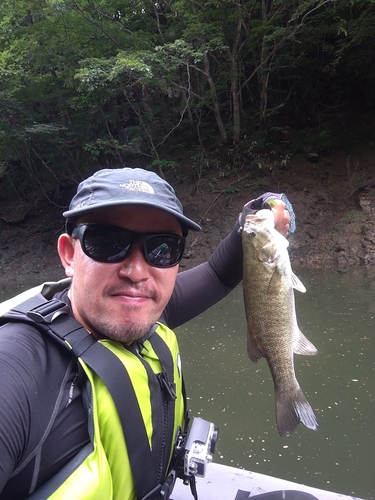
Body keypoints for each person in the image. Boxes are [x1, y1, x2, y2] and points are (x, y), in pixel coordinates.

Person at [0, 167, 291, 500]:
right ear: (69, 254)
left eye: (163, 248)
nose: (137, 272)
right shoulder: (15, 367)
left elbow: (218, 274)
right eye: (108, 243)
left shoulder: (148, 308)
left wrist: (254, 219)